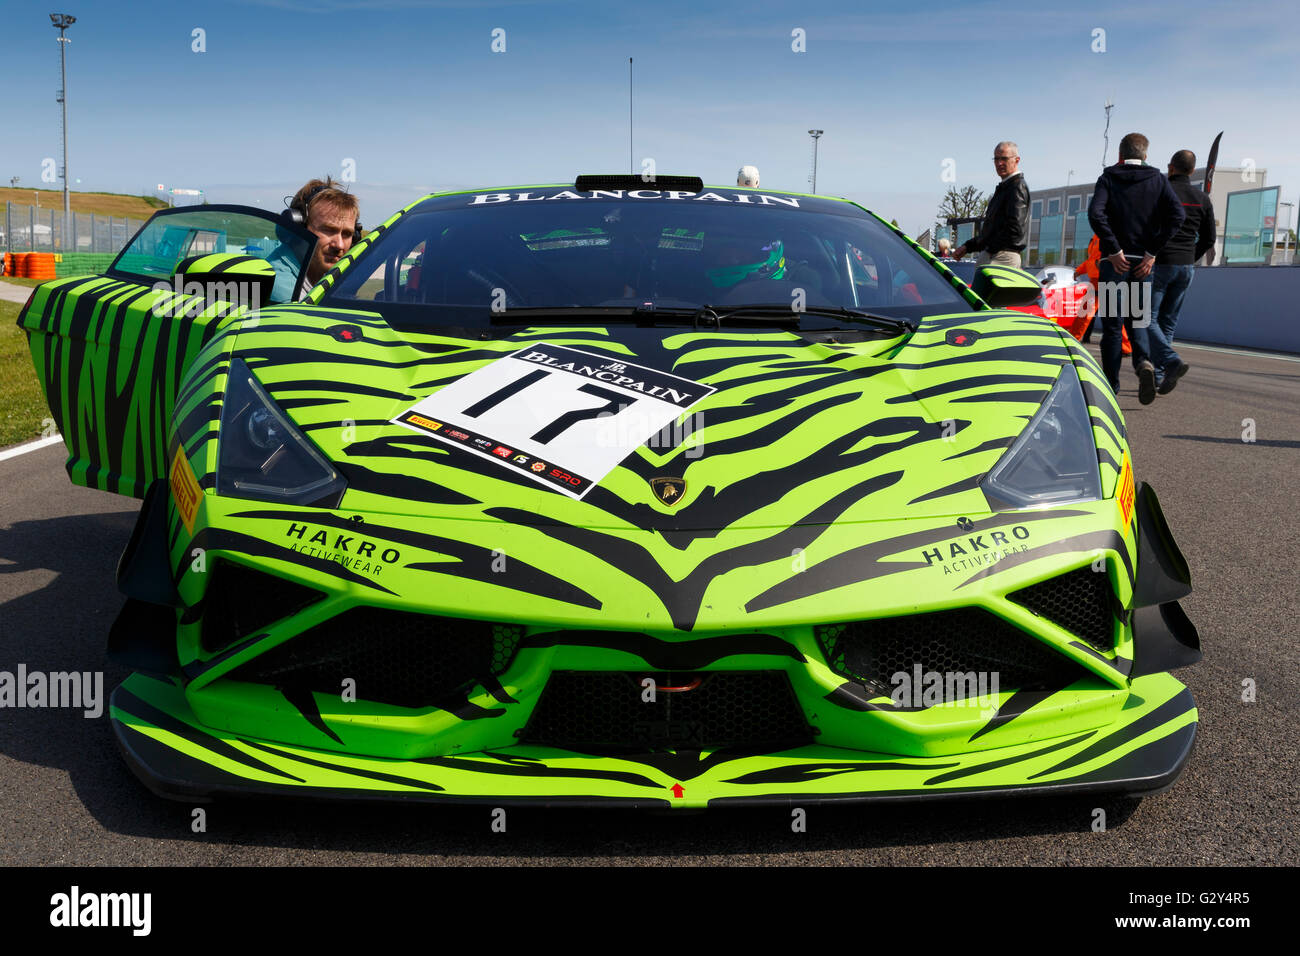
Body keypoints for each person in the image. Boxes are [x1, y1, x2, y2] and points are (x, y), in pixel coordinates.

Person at [1087, 133, 1184, 404]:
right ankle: (1143, 363)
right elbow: (1178, 215)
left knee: (1112, 326)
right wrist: (1152, 252)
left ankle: (1111, 385)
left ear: (1120, 155)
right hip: (1143, 264)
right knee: (1139, 318)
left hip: (1112, 263)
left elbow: (1096, 213)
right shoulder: (1158, 180)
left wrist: (1114, 248)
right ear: (1145, 154)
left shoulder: (1107, 178)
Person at [1148, 149, 1215, 394]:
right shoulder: (1202, 198)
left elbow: (1147, 228)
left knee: (1145, 318)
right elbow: (1209, 239)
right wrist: (1190, 258)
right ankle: (1161, 374)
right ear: (1191, 170)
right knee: (1167, 322)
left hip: (1160, 263)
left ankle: (1170, 361)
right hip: (1186, 267)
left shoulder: (1160, 193)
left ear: (1171, 167)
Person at [270, 177, 362, 301]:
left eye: (347, 234)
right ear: (298, 229)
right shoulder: (278, 285)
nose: (339, 245)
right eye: (328, 230)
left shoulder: (325, 275)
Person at [951, 141, 1030, 267]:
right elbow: (991, 232)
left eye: (1004, 158)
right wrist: (968, 247)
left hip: (1001, 256)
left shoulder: (1016, 187)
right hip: (997, 254)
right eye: (996, 159)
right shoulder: (1006, 187)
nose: (999, 163)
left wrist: (990, 248)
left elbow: (1015, 230)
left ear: (1017, 160)